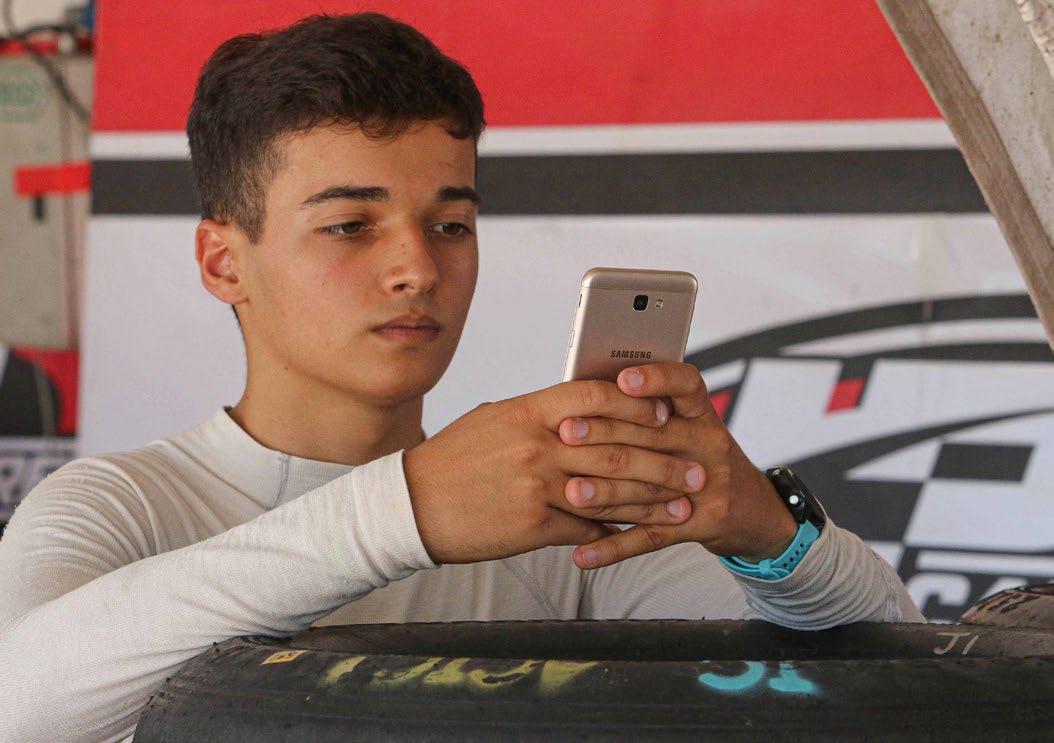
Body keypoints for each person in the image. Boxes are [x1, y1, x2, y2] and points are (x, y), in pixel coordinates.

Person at [0, 12, 923, 742]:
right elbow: (19, 704)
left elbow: (902, 679)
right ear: (223, 261)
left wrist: (769, 533)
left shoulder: (555, 516)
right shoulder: (120, 505)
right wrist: (405, 511)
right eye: (350, 225)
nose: (416, 267)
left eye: (450, 224)